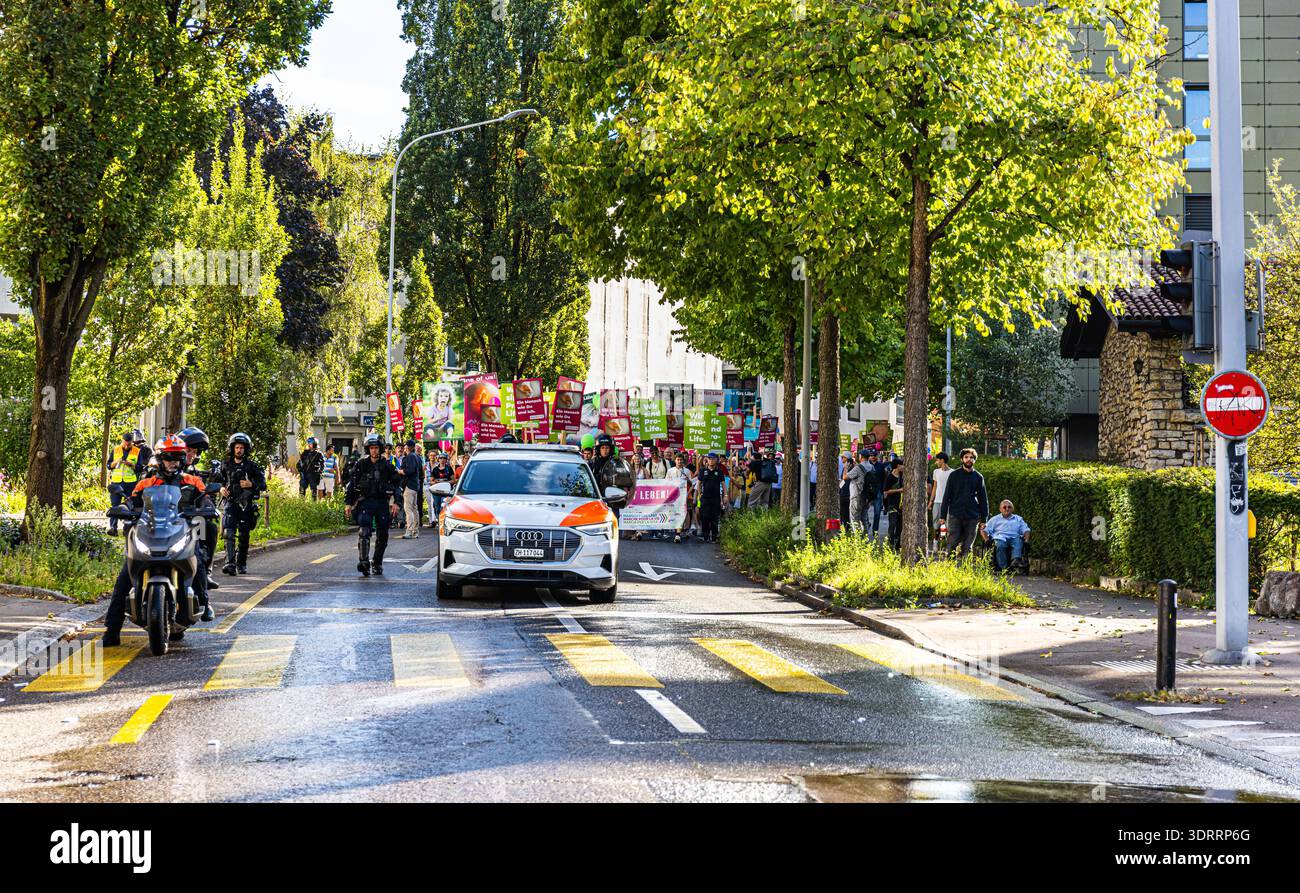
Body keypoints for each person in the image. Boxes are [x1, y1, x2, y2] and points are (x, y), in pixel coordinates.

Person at [102, 434, 212, 647]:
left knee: (197, 561)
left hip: (180, 534)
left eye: (178, 458)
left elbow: (205, 499)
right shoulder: (145, 483)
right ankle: (111, 630)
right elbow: (131, 501)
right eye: (169, 458)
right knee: (124, 578)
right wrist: (122, 509)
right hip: (150, 534)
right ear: (160, 459)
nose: (174, 462)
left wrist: (207, 507)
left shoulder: (193, 481)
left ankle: (205, 604)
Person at [344, 434, 400, 576]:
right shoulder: (361, 464)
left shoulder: (388, 466)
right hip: (366, 502)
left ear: (380, 449)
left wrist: (397, 503)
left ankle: (377, 563)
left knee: (383, 535)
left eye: (376, 448)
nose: (374, 451)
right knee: (364, 531)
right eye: (371, 448)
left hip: (382, 503)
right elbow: (352, 484)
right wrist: (348, 503)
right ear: (368, 449)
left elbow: (396, 485)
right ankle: (363, 562)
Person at [213, 433, 266, 575]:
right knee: (228, 533)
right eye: (237, 447)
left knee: (244, 536)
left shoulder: (252, 466)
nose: (239, 450)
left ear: (245, 449)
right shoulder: (225, 464)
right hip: (230, 503)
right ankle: (230, 563)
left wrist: (251, 484)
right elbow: (217, 480)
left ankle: (241, 563)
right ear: (232, 448)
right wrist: (221, 488)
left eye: (241, 447)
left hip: (246, 504)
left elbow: (263, 484)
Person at [179, 426, 220, 591]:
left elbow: (204, 496)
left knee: (207, 527)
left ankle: (205, 570)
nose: (191, 454)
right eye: (188, 450)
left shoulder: (195, 475)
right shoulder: (158, 471)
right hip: (163, 520)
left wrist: (207, 507)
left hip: (190, 519)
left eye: (194, 451)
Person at [939, 447, 989, 559]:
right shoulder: (954, 475)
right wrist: (942, 515)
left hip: (972, 516)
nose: (969, 459)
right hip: (955, 514)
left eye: (971, 458)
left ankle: (966, 571)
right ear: (962, 459)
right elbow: (946, 496)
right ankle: (949, 569)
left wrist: (984, 519)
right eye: (966, 457)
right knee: (952, 543)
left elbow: (983, 499)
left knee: (968, 546)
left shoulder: (978, 477)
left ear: (974, 460)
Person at [106, 429, 148, 536]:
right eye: (125, 442)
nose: (127, 445)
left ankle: (127, 529)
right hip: (116, 482)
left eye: (129, 443)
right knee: (115, 505)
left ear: (131, 442)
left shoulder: (137, 451)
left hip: (130, 483)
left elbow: (140, 468)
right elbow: (108, 465)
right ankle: (113, 528)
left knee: (130, 506)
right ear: (123, 441)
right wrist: (116, 462)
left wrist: (131, 464)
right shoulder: (115, 450)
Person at [982, 499, 1031, 572]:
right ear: (1000, 509)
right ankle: (1003, 568)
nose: (1007, 509)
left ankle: (1016, 561)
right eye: (1004, 507)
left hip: (1014, 537)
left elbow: (1026, 530)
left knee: (1018, 542)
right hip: (1000, 537)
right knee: (1000, 545)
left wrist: (1027, 541)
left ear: (1012, 509)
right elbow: (985, 530)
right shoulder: (995, 519)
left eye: (1009, 507)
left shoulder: (1018, 519)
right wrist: (986, 540)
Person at [696, 452, 727, 543]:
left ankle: (714, 536)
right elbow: (699, 483)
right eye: (709, 459)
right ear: (707, 460)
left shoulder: (719, 471)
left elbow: (723, 484)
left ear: (716, 460)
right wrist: (699, 494)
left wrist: (725, 495)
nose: (711, 460)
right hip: (705, 498)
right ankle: (705, 535)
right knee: (705, 516)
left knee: (715, 517)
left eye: (713, 458)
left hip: (716, 498)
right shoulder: (703, 471)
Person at [844, 448, 874, 534]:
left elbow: (845, 477)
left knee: (854, 519)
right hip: (867, 497)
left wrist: (846, 467)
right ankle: (865, 537)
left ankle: (857, 539)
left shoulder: (857, 468)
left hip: (856, 496)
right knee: (864, 518)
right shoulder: (872, 467)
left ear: (860, 456)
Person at [397, 439, 422, 539]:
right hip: (415, 485)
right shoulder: (417, 456)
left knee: (408, 509)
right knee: (414, 509)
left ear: (410, 447)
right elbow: (420, 471)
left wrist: (400, 471)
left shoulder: (410, 456)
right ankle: (415, 531)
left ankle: (410, 531)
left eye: (406, 446)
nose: (405, 448)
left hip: (410, 485)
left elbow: (409, 471)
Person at [927, 452, 952, 549]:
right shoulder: (936, 472)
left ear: (942, 460)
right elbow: (934, 487)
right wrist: (930, 502)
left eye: (937, 460)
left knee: (948, 524)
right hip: (937, 501)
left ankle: (947, 544)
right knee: (936, 523)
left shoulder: (952, 472)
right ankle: (935, 542)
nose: (936, 462)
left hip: (948, 502)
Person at [667, 452, 693, 543]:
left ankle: (683, 531)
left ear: (683, 461)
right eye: (678, 460)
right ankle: (676, 531)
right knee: (675, 513)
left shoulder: (687, 471)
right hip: (674, 496)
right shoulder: (670, 471)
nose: (679, 461)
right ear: (675, 460)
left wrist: (688, 480)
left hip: (684, 495)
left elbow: (691, 484)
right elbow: (666, 483)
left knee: (685, 513)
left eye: (681, 460)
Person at [883, 458, 905, 550]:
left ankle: (897, 544)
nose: (904, 467)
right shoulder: (890, 477)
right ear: (897, 466)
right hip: (892, 504)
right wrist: (899, 490)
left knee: (900, 525)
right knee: (892, 524)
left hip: (901, 505)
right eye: (902, 465)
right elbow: (886, 491)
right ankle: (890, 543)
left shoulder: (902, 475)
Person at [427, 451, 454, 524]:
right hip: (436, 491)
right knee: (437, 507)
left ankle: (444, 522)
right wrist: (436, 482)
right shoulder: (435, 469)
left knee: (444, 506)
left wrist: (446, 482)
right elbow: (431, 481)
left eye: (444, 458)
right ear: (438, 459)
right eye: (441, 458)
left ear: (446, 459)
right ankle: (439, 522)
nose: (442, 459)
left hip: (446, 491)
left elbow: (453, 480)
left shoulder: (449, 468)